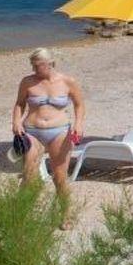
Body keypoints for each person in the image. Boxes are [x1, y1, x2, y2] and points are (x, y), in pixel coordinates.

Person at [13, 48, 85, 216]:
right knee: (29, 175)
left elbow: (79, 104)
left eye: (38, 65)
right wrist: (16, 121)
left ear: (50, 63)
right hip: (32, 131)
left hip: (59, 132)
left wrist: (79, 123)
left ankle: (66, 214)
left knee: (59, 177)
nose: (34, 69)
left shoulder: (68, 81)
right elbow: (19, 103)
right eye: (33, 65)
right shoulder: (27, 82)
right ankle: (21, 214)